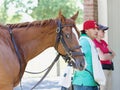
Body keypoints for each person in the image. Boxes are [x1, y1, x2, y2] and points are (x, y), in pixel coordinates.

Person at [72, 20, 99, 90]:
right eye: (93, 29)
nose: (96, 31)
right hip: (84, 83)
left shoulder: (88, 41)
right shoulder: (84, 42)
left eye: (97, 28)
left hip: (90, 82)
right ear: (86, 30)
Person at [93, 24, 115, 90]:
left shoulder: (104, 42)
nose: (104, 32)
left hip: (109, 68)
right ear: (97, 31)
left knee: (109, 88)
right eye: (102, 31)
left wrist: (107, 55)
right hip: (102, 69)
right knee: (103, 88)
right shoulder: (94, 42)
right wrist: (109, 54)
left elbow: (113, 53)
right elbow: (102, 57)